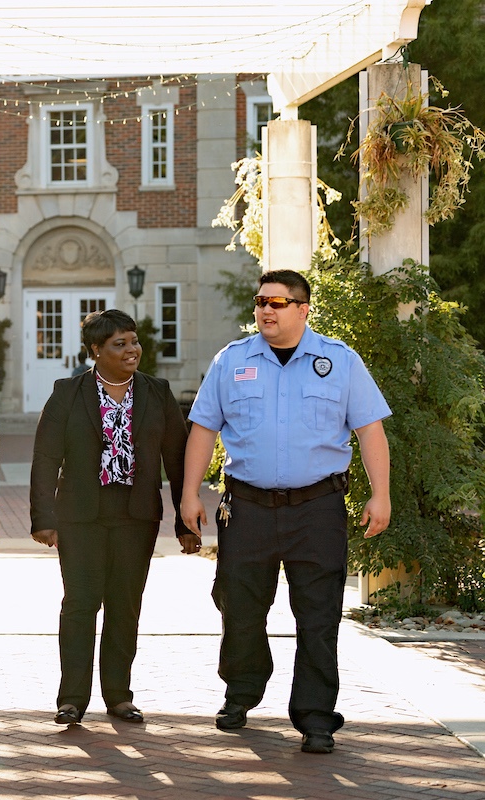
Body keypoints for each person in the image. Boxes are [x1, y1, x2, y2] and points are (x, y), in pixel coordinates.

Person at [181, 268, 391, 755]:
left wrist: (380, 494)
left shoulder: (339, 361)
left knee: (319, 616)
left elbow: (370, 431)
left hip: (317, 508)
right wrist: (191, 492)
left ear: (303, 309)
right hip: (247, 507)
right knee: (240, 608)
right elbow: (203, 430)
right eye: (260, 302)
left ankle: (316, 717)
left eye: (277, 302)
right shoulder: (231, 361)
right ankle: (241, 692)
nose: (266, 310)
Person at [30, 309, 199, 728]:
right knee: (80, 606)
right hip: (80, 516)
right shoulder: (67, 393)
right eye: (119, 344)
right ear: (95, 351)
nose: (131, 351)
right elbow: (46, 457)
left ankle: (119, 696)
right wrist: (43, 518)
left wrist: (184, 522)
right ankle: (71, 699)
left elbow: (177, 461)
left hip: (136, 517)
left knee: (125, 606)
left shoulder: (157, 392)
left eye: (134, 341)